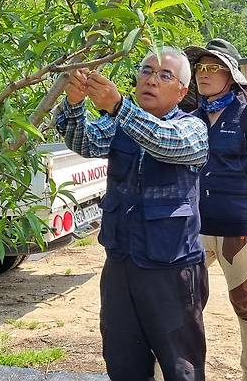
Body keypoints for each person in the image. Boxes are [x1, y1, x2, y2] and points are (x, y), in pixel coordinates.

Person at [56, 46, 210, 381]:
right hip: (122, 264)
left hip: (171, 269)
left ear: (182, 90)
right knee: (122, 360)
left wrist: (117, 106)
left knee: (181, 366)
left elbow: (164, 142)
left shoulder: (192, 129)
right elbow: (85, 142)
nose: (151, 79)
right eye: (145, 71)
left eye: (164, 75)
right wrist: (73, 103)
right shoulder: (121, 124)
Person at [184, 39, 247, 381]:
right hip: (194, 229)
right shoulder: (191, 118)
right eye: (199, 68)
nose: (203, 75)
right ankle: (181, 372)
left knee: (246, 306)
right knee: (183, 302)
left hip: (237, 229)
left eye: (213, 68)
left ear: (231, 75)